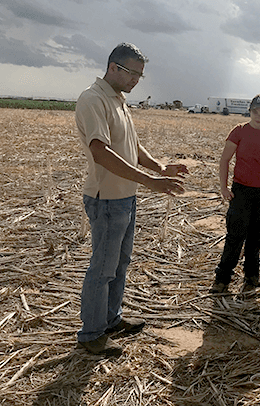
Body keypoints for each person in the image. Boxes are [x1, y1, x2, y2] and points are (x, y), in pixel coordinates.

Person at [75, 43, 188, 356]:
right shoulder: (93, 99)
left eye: (140, 75)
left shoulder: (118, 101)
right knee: (103, 268)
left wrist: (160, 167)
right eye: (133, 73)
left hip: (126, 197)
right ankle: (91, 335)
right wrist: (150, 180)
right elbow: (101, 151)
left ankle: (111, 319)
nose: (137, 80)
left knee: (119, 264)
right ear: (114, 67)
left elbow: (132, 147)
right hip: (108, 198)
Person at [209, 94, 260, 294]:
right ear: (249, 111)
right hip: (241, 190)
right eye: (255, 112)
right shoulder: (239, 131)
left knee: (256, 236)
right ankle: (222, 279)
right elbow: (224, 160)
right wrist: (224, 188)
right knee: (235, 235)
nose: (259, 116)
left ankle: (252, 277)